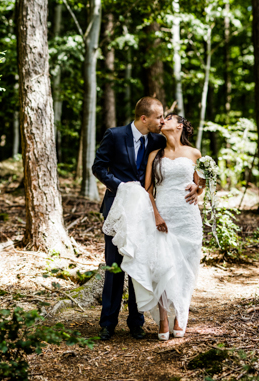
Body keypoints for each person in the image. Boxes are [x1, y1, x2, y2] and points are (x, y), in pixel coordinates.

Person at [92, 97, 199, 341]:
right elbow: (99, 167)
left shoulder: (157, 139)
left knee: (142, 265)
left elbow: (181, 156)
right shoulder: (115, 135)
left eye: (165, 118)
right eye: (158, 117)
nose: (162, 121)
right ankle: (107, 323)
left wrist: (197, 185)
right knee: (115, 266)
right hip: (118, 209)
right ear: (144, 118)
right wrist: (122, 187)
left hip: (147, 213)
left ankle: (136, 322)